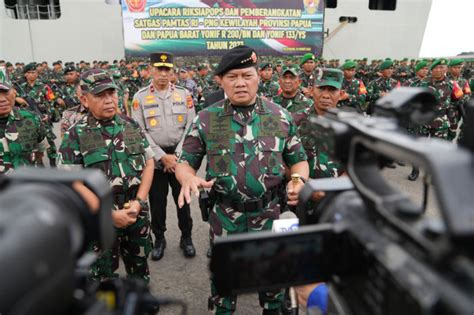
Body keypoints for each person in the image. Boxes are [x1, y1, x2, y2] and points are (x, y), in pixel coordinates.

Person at [175, 45, 309, 315]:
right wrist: (187, 178)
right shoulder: (206, 119)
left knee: (274, 285)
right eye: (232, 77)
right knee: (224, 288)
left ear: (258, 76)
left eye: (246, 75)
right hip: (225, 218)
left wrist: (297, 179)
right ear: (221, 81)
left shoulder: (280, 116)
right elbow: (185, 163)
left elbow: (298, 160)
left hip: (270, 214)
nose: (239, 83)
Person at [58, 69, 154, 283]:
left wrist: (139, 201)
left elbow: (148, 163)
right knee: (102, 276)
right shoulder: (75, 134)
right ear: (84, 99)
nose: (109, 100)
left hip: (135, 212)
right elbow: (72, 182)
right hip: (99, 217)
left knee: (139, 267)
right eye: (100, 95)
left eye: (112, 93)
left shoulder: (131, 125)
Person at [131, 52, 196, 261]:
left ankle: (186, 237)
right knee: (157, 203)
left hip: (179, 158)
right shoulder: (140, 97)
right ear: (150, 70)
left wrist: (175, 156)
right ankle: (159, 238)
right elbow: (139, 131)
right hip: (155, 159)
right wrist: (161, 157)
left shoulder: (183, 94)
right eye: (159, 69)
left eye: (167, 69)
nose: (163, 74)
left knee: (183, 200)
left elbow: (190, 126)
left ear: (172, 71)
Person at [0, 80, 48, 174]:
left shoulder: (32, 118)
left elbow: (40, 150)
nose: (2, 99)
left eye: (5, 92)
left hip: (26, 182)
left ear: (14, 93)